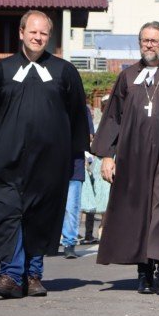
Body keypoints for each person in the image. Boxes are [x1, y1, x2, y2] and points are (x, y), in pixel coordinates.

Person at [0, 10, 90, 299]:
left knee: (41, 215)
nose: (38, 37)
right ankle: (10, 276)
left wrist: (74, 156)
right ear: (21, 33)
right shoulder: (1, 70)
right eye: (32, 32)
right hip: (8, 159)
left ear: (49, 37)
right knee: (7, 213)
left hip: (51, 160)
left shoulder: (64, 71)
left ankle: (33, 275)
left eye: (44, 33)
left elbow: (77, 116)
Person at [92, 21, 159, 296]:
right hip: (132, 156)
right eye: (145, 40)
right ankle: (144, 273)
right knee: (139, 212)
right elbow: (113, 118)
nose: (150, 44)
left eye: (155, 40)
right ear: (139, 43)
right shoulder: (127, 76)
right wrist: (107, 155)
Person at [60, 106, 95, 259]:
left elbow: (89, 136)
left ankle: (69, 243)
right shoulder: (50, 105)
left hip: (74, 165)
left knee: (71, 207)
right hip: (49, 165)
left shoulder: (82, 110)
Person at [80, 95, 111, 245]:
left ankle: (96, 231)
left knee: (99, 198)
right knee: (102, 198)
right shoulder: (100, 124)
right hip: (101, 164)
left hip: (99, 163)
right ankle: (100, 230)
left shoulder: (100, 124)